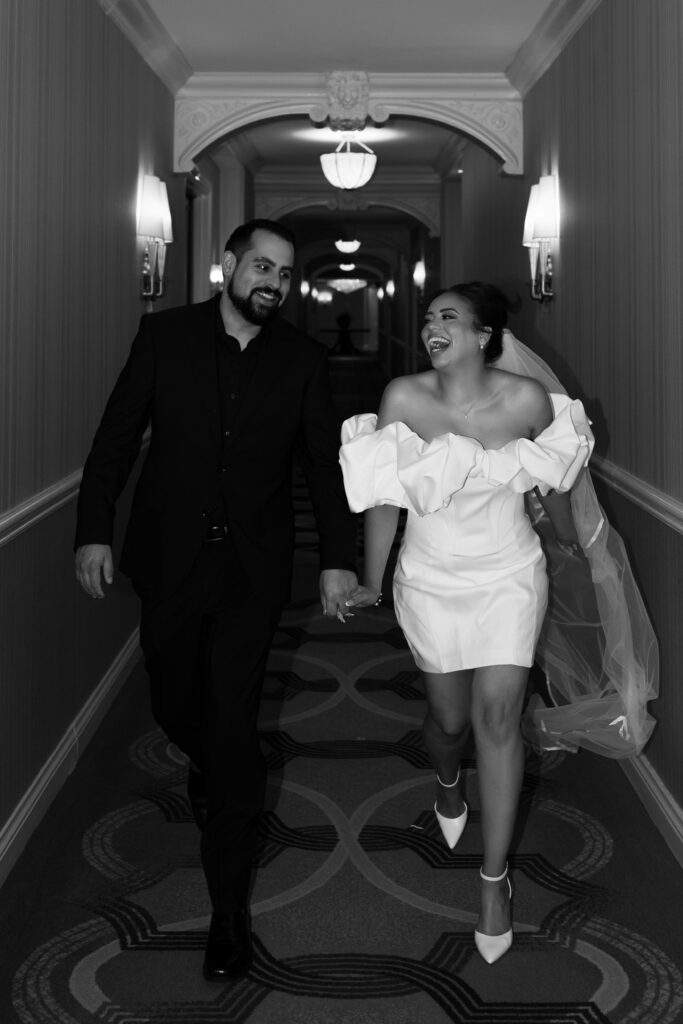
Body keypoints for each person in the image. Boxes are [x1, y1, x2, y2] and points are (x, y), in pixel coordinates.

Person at [74, 219, 358, 982]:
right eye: (260, 265)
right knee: (175, 702)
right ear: (225, 266)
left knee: (232, 729)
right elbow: (114, 438)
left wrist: (336, 559)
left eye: (285, 273)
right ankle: (205, 758)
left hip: (251, 574)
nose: (273, 281)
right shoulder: (163, 337)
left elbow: (322, 467)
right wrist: (91, 532)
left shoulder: (301, 358)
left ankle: (228, 909)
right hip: (168, 563)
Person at [340, 282, 595, 964]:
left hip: (509, 574)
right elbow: (385, 501)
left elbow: (552, 479)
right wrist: (370, 581)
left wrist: (571, 548)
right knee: (448, 724)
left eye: (447, 318)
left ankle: (492, 880)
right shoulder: (402, 397)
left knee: (499, 720)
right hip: (429, 578)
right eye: (426, 319)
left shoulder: (526, 401)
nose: (431, 327)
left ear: (483, 335)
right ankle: (446, 778)